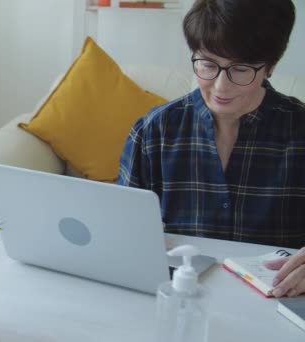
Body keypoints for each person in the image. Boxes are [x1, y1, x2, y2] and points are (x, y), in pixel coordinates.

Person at [117, 0, 305, 297]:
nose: (220, 87)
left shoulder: (300, 132)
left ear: (270, 67)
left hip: (278, 303)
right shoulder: (154, 132)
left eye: (240, 69)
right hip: (177, 299)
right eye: (207, 64)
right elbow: (123, 231)